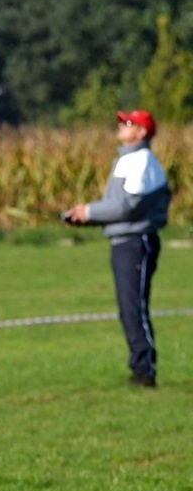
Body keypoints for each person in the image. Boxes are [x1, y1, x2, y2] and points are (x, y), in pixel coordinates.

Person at [64, 109, 172, 387]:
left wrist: (89, 211)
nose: (121, 127)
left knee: (134, 307)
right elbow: (120, 208)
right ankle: (140, 368)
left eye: (128, 123)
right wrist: (87, 217)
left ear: (142, 132)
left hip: (136, 243)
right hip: (124, 242)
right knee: (128, 308)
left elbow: (127, 206)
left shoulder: (140, 161)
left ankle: (144, 371)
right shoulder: (127, 160)